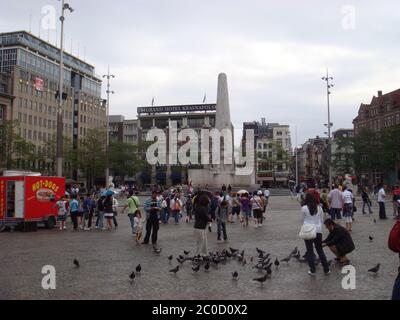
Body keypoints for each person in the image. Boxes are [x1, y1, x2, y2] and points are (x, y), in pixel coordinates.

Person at [300, 193, 330, 276]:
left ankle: (312, 270)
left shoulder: (304, 208)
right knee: (320, 250)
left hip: (308, 230)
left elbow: (302, 220)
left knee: (310, 251)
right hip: (318, 231)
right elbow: (321, 220)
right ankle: (326, 269)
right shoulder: (319, 208)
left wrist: (305, 226)